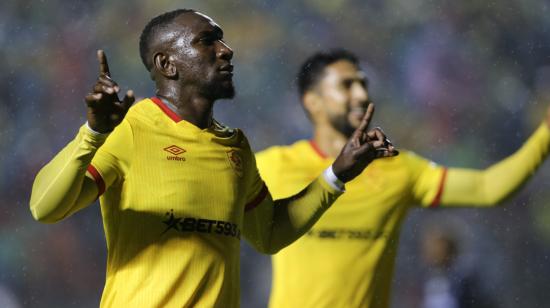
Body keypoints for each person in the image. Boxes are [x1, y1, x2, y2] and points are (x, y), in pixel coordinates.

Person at [29, 10, 397, 308]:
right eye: (207, 41)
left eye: (221, 38)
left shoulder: (234, 146)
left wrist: (336, 174)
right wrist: (93, 133)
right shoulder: (131, 129)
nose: (226, 49)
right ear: (168, 64)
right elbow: (45, 207)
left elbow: (269, 234)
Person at [255, 49, 550, 308]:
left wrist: (545, 135)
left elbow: (488, 188)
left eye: (362, 84)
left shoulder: (398, 169)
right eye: (346, 86)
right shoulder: (275, 166)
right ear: (313, 102)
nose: (361, 94)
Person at [420, 226, 496, 308]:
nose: (432, 252)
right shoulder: (426, 277)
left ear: (449, 249)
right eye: (429, 248)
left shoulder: (464, 278)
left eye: (437, 248)